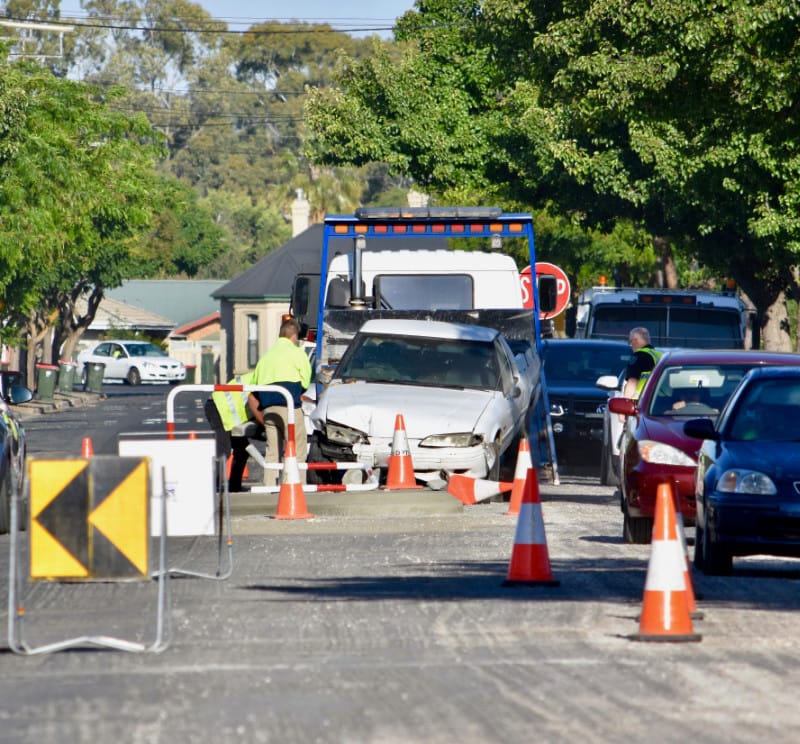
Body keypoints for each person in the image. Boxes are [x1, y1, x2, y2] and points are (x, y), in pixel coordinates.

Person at [248, 318, 312, 486]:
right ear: (294, 336)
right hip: (289, 407)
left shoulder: (266, 357)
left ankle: (269, 488)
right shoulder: (297, 353)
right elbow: (305, 382)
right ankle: (294, 486)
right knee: (297, 449)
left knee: (272, 450)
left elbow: (254, 385)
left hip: (269, 409)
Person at [204, 370, 262, 493]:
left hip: (229, 414)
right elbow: (254, 403)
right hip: (218, 408)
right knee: (223, 450)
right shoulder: (264, 378)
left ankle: (234, 487)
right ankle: (215, 487)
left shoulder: (264, 374)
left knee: (242, 450)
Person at [618, 327, 662, 422]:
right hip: (660, 405)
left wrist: (623, 409)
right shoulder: (659, 355)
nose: (631, 345)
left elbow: (632, 381)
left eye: (630, 341)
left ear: (635, 341)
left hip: (640, 405)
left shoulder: (639, 356)